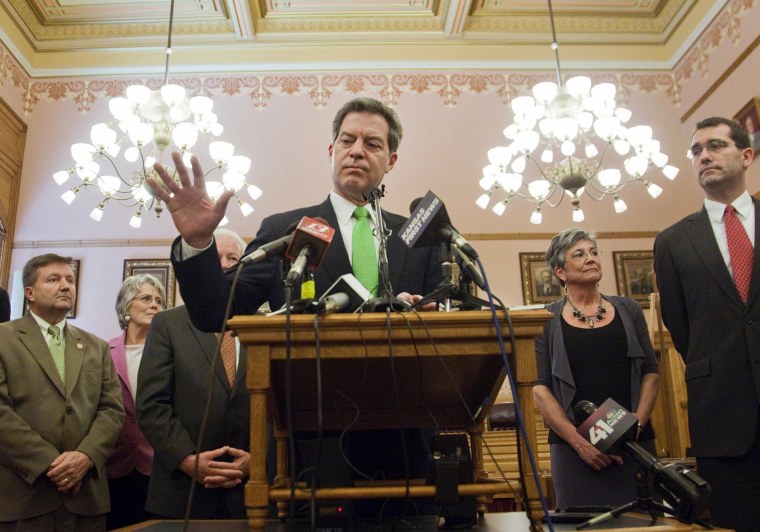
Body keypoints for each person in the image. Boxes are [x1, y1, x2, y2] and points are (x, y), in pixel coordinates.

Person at [146, 97, 443, 519]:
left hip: (406, 436)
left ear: (391, 159)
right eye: (347, 140)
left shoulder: (418, 236)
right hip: (311, 441)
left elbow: (445, 324)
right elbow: (215, 311)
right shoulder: (286, 230)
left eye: (372, 144)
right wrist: (198, 244)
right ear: (331, 150)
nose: (357, 150)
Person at [654, 116, 760, 532]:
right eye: (696, 151)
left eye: (715, 145)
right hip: (722, 414)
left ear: (746, 154)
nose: (704, 156)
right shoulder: (673, 241)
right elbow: (681, 327)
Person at [533, 229, 659, 509]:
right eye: (579, 254)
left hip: (634, 443)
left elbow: (651, 371)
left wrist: (636, 424)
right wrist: (580, 443)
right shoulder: (545, 318)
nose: (591, 259)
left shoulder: (629, 309)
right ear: (560, 271)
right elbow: (541, 389)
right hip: (574, 450)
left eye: (593, 252)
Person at [0, 253, 124, 529]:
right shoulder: (4, 339)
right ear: (29, 293)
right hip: (25, 495)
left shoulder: (96, 347)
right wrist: (50, 463)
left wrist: (86, 456)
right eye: (53, 279)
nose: (66, 285)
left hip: (86, 499)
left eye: (69, 279)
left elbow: (112, 410)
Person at [137, 229, 252, 519]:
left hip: (252, 490)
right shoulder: (167, 324)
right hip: (182, 491)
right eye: (215, 258)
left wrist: (260, 459)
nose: (224, 265)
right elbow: (152, 404)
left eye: (233, 258)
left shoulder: (263, 325)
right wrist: (187, 459)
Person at [105, 273, 166, 530]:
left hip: (158, 465)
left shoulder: (168, 352)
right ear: (127, 306)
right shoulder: (102, 351)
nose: (155, 305)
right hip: (113, 464)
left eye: (159, 301)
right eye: (146, 298)